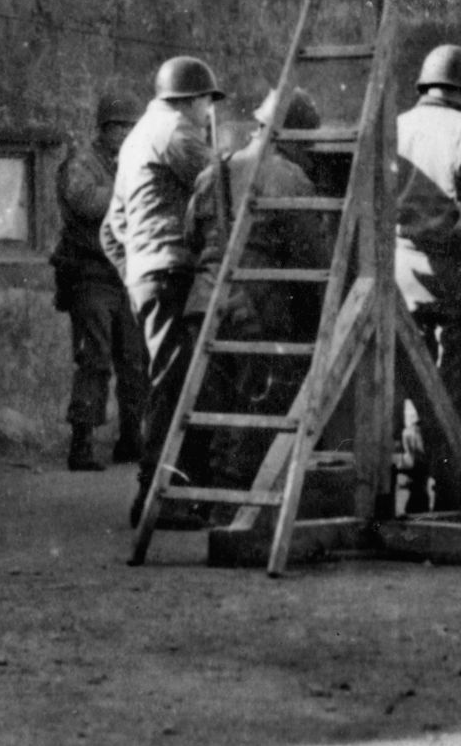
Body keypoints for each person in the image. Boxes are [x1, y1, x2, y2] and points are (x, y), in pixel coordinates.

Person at [179, 85, 331, 481]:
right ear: (292, 134)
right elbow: (312, 258)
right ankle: (233, 504)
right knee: (254, 407)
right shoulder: (290, 177)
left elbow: (191, 238)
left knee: (213, 405)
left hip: (204, 303)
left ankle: (210, 496)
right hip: (256, 310)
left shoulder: (215, 169)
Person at [103, 54, 222, 516]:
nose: (207, 112)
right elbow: (226, 188)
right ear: (193, 99)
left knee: (170, 381)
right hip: (173, 272)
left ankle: (165, 495)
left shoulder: (136, 137)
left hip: (150, 274)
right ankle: (157, 499)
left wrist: (135, 272)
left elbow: (112, 227)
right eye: (206, 103)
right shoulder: (177, 132)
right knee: (175, 387)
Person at [395, 44, 461, 512]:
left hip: (403, 272)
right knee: (459, 389)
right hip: (459, 276)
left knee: (418, 382)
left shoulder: (397, 126)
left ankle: (412, 488)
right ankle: (453, 494)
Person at [54, 92, 147, 471]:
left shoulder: (133, 164)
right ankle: (82, 444)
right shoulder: (81, 163)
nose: (124, 134)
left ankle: (131, 438)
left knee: (134, 359)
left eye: (130, 127)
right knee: (94, 358)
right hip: (90, 274)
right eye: (117, 127)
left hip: (127, 275)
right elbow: (86, 202)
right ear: (103, 129)